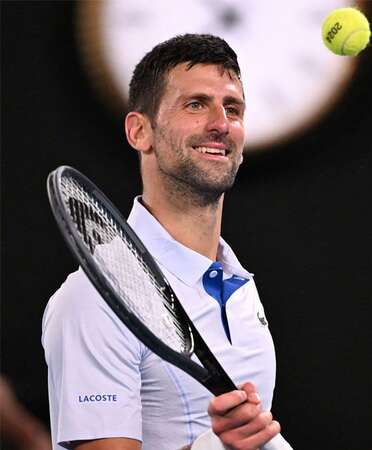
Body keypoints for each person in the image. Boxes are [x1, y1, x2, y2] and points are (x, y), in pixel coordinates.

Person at [42, 34, 287, 450]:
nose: (220, 124)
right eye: (195, 105)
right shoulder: (91, 300)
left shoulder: (239, 285)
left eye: (233, 109)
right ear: (140, 131)